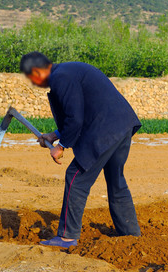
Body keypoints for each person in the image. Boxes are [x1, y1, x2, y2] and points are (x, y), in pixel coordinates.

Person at [20, 52, 142, 248]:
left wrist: (61, 146)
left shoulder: (61, 77)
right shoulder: (69, 71)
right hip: (122, 126)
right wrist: (54, 135)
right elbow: (82, 111)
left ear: (37, 71)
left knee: (75, 177)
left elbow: (75, 118)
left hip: (104, 131)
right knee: (116, 181)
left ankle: (67, 237)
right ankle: (131, 234)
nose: (34, 83)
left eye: (31, 78)